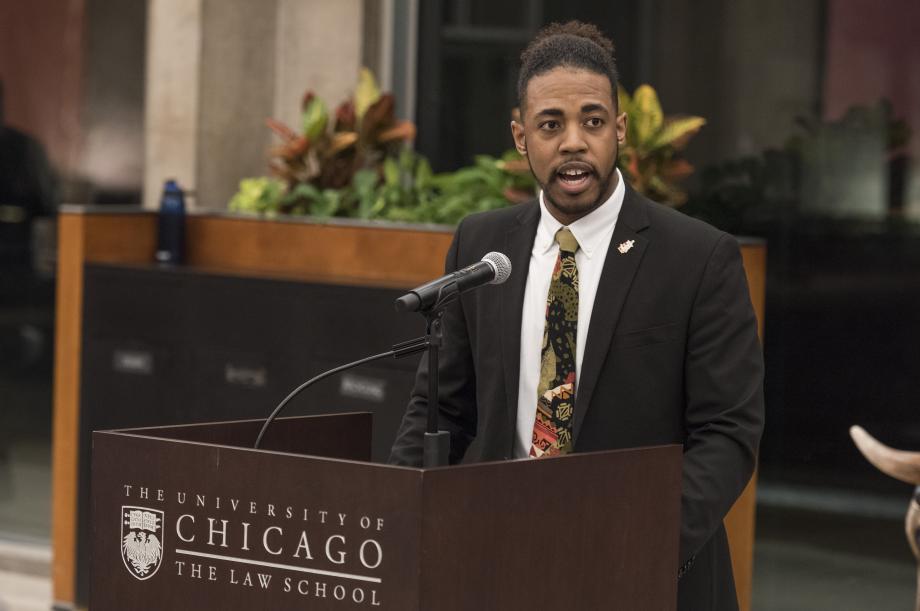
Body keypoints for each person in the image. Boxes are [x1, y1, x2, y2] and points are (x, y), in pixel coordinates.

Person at [390, 21, 764, 611]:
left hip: (644, 576)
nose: (573, 142)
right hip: (498, 565)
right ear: (520, 136)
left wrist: (637, 546)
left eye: (592, 121)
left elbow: (727, 433)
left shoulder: (698, 257)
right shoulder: (480, 247)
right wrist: (396, 522)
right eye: (550, 124)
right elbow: (441, 408)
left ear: (618, 130)